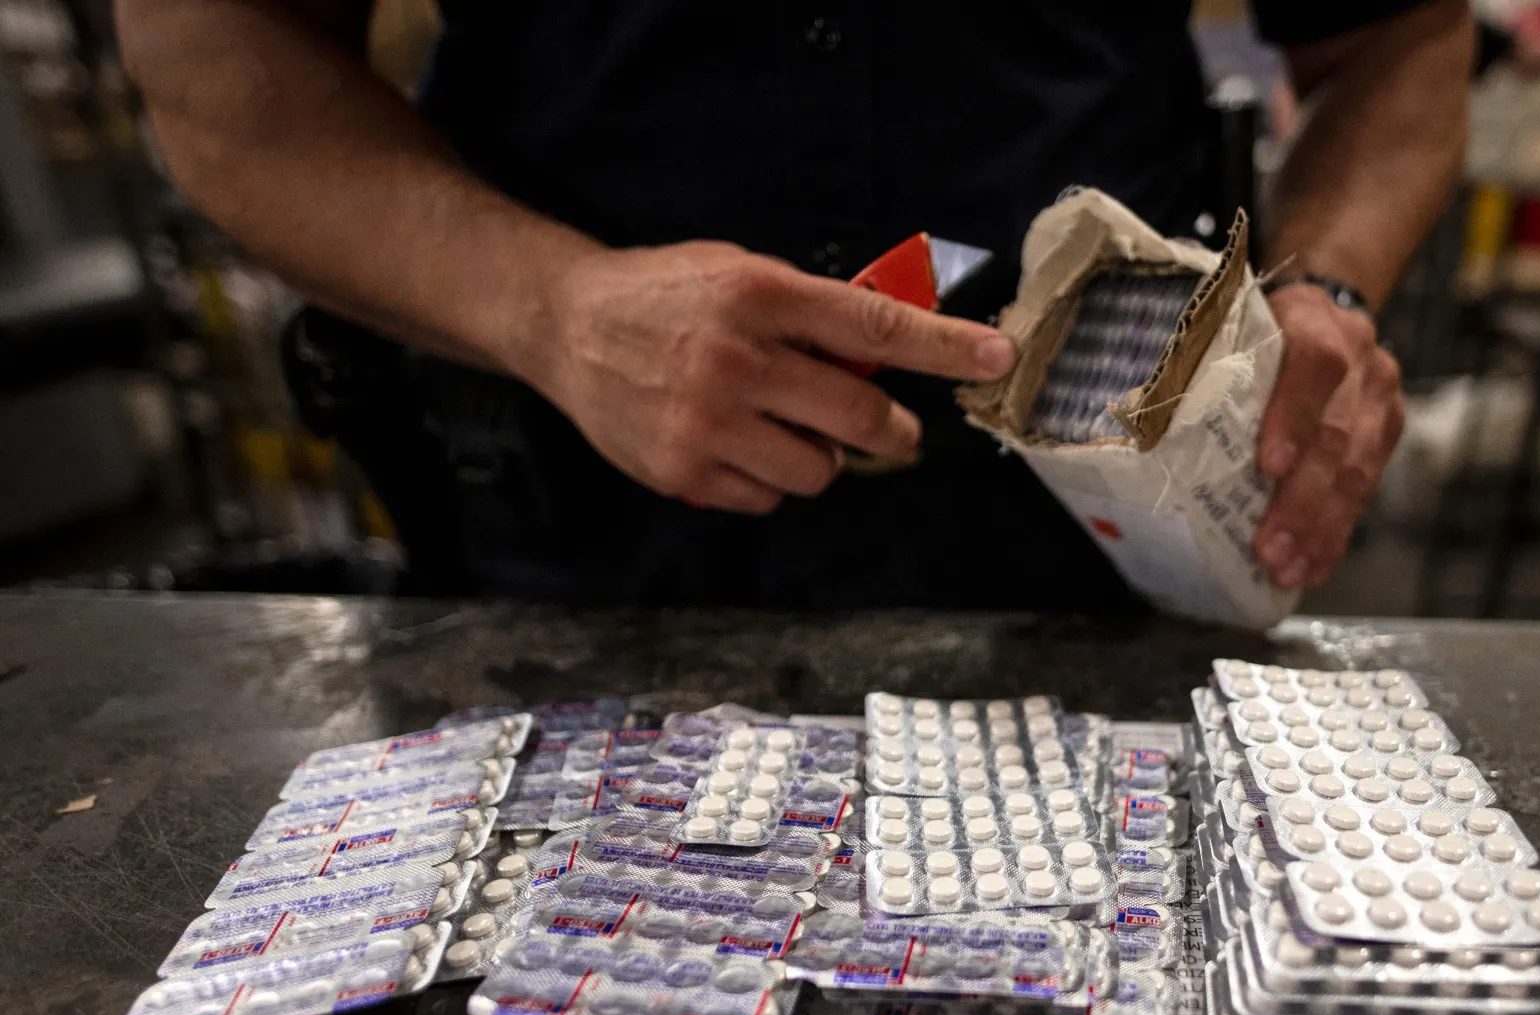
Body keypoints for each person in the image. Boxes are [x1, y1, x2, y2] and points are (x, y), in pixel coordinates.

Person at [118, 2, 1472, 609]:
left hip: (1103, 517)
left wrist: (1328, 282)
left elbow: (1396, 37)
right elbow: (214, 56)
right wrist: (551, 306)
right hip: (578, 543)